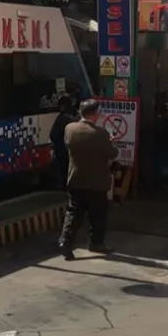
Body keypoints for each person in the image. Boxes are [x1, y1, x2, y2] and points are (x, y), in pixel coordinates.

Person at [57, 98, 119, 260]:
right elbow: (112, 154)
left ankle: (65, 242)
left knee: (74, 212)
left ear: (80, 112)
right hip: (97, 182)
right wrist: (110, 143)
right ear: (96, 114)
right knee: (98, 214)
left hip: (75, 178)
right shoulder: (101, 133)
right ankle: (96, 243)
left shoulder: (69, 129)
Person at [48, 96, 77, 189]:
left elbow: (53, 134)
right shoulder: (72, 118)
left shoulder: (61, 118)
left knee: (63, 171)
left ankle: (65, 188)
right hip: (70, 151)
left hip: (61, 150)